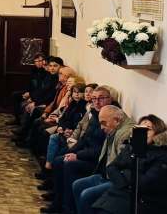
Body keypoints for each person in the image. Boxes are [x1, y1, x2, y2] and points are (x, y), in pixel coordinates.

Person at [44, 85, 115, 214]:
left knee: (68, 164)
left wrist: (77, 155)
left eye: (101, 98)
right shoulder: (95, 114)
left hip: (96, 161)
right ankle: (58, 200)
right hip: (87, 153)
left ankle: (67, 208)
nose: (97, 102)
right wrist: (71, 151)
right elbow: (84, 139)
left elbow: (101, 150)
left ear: (109, 99)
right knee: (60, 159)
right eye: (94, 98)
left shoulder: (110, 117)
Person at [91, 114, 167, 214]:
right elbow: (111, 167)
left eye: (148, 129)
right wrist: (123, 183)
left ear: (158, 133)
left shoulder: (165, 156)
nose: (143, 133)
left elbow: (143, 184)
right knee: (91, 201)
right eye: (139, 129)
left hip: (146, 202)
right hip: (123, 191)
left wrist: (123, 172)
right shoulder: (131, 147)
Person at [68, 105, 135, 214]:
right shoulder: (114, 128)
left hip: (113, 179)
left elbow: (121, 164)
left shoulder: (125, 134)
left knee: (86, 194)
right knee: (77, 185)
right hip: (104, 173)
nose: (101, 127)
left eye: (104, 123)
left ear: (117, 120)